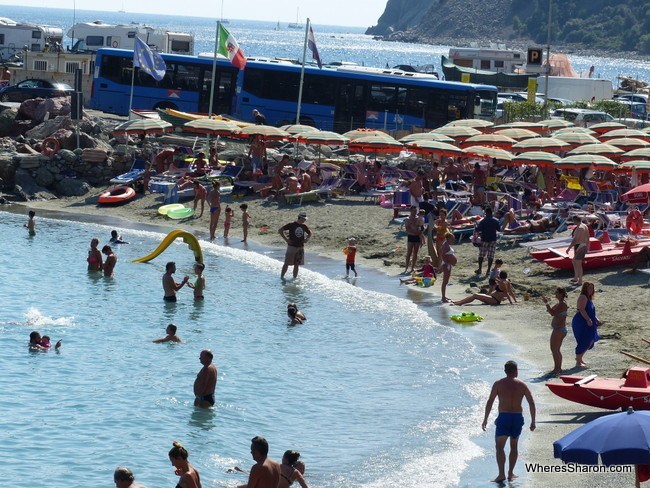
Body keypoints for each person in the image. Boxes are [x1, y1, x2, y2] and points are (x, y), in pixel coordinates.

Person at [482, 360, 536, 483]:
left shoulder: (498, 384)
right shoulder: (522, 385)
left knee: (500, 447)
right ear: (516, 371)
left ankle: (501, 474)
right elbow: (531, 402)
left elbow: (490, 401)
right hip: (517, 417)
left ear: (505, 371)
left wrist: (485, 419)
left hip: (504, 417)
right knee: (514, 445)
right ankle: (510, 473)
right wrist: (533, 421)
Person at [572, 282, 601, 367]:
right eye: (589, 288)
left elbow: (591, 312)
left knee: (591, 339)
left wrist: (597, 320)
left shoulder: (589, 298)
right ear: (585, 289)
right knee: (584, 340)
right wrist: (588, 319)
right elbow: (581, 309)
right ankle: (578, 360)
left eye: (592, 288)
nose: (591, 290)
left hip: (589, 322)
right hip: (581, 321)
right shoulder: (583, 297)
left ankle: (579, 358)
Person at [279, 211, 312, 280]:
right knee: (286, 263)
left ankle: (294, 279)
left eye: (305, 219)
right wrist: (286, 239)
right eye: (303, 219)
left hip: (300, 247)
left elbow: (310, 233)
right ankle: (281, 277)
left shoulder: (304, 226)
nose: (305, 220)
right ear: (300, 218)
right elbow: (280, 230)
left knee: (297, 264)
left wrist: (307, 239)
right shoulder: (291, 225)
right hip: (292, 246)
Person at [452, 271, 516, 306]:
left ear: (501, 276)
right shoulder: (507, 281)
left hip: (494, 300)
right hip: (493, 298)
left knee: (475, 295)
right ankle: (458, 302)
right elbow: (511, 292)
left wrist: (511, 302)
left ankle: (459, 303)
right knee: (475, 295)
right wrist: (515, 301)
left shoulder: (503, 283)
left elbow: (507, 293)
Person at [543, 287, 569, 375]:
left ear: (561, 294)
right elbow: (550, 311)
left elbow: (552, 313)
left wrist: (546, 303)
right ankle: (557, 368)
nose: (555, 294)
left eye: (557, 292)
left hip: (559, 329)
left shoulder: (562, 304)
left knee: (555, 350)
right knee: (555, 349)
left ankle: (557, 369)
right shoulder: (560, 304)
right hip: (559, 329)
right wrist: (548, 303)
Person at [474, 206, 500, 276]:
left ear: (486, 213)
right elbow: (499, 229)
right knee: (490, 256)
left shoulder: (483, 221)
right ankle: (488, 270)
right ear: (491, 213)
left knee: (481, 255)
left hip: (484, 239)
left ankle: (480, 269)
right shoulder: (495, 220)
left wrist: (475, 225)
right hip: (493, 239)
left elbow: (478, 229)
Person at [565, 215, 589, 286]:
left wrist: (569, 248)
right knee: (574, 261)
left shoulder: (580, 228)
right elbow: (588, 237)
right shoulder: (584, 226)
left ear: (575, 221)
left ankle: (580, 281)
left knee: (578, 264)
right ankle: (576, 277)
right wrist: (587, 246)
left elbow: (575, 240)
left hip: (580, 246)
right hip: (583, 245)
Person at [404, 206, 424, 273]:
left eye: (415, 211)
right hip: (411, 236)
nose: (414, 212)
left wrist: (418, 232)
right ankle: (406, 267)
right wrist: (415, 231)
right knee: (409, 252)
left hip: (417, 237)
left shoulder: (419, 218)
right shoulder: (407, 219)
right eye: (413, 211)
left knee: (415, 252)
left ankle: (412, 267)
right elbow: (407, 229)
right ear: (411, 211)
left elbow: (421, 228)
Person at [438, 233, 457, 303]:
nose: (453, 239)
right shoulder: (445, 245)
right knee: (445, 282)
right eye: (452, 238)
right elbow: (442, 254)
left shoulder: (446, 244)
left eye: (454, 238)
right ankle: (443, 298)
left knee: (446, 281)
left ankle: (444, 296)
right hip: (446, 265)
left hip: (448, 264)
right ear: (448, 238)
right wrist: (446, 263)